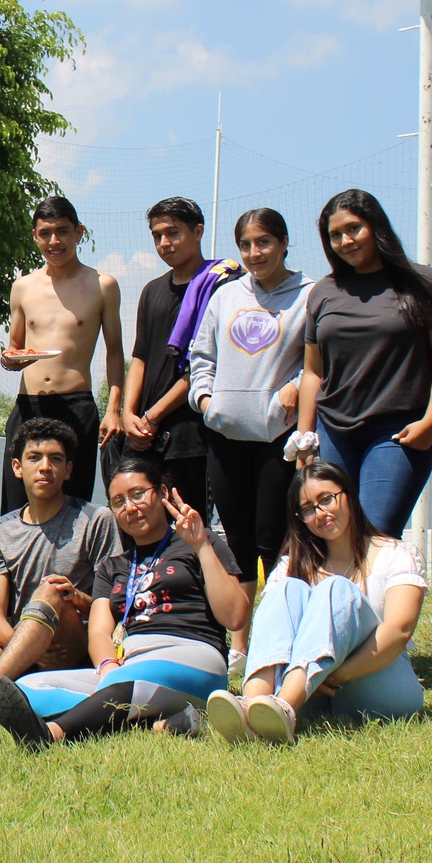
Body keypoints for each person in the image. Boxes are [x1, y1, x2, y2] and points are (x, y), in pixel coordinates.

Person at [0, 456, 248, 749]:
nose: (130, 507)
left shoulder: (199, 541)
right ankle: (155, 719)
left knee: (129, 681)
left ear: (161, 493)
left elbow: (235, 615)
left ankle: (51, 734)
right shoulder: (113, 566)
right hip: (129, 665)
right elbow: (98, 631)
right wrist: (108, 664)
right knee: (29, 688)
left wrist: (200, 545)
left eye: (138, 494)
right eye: (118, 501)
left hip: (194, 657)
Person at [0, 419, 122, 728]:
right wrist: (27, 646)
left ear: (69, 470)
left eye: (55, 459)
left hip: (73, 649)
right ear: (17, 467)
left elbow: (114, 605)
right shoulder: (1, 531)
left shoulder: (97, 520)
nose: (45, 467)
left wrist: (76, 597)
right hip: (18, 651)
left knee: (51, 589)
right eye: (35, 457)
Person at [205, 462, 426, 743]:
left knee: (335, 588)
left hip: (380, 683)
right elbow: (274, 631)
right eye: (308, 509)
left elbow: (400, 629)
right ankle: (253, 706)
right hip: (312, 694)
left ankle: (283, 706)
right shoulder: (292, 565)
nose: (320, 513)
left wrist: (334, 673)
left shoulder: (396, 554)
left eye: (326, 499)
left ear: (349, 495)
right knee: (286, 589)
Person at [186, 207, 310, 663]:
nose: (255, 253)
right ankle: (238, 643)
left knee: (275, 539)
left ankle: (280, 637)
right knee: (235, 542)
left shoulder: (309, 295)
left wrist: (293, 388)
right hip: (224, 435)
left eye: (264, 243)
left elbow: (317, 359)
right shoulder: (226, 295)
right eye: (246, 245)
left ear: (283, 243)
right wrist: (205, 402)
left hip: (277, 437)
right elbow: (202, 356)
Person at [290, 190, 432, 537]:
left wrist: (431, 422)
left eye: (354, 229)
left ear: (376, 227)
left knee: (377, 532)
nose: (345, 241)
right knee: (336, 535)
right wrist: (305, 439)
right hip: (334, 433)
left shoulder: (424, 284)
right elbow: (314, 372)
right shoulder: (324, 292)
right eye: (335, 235)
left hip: (397, 432)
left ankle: (387, 592)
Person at [0, 195, 124, 513]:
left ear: (78, 232)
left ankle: (73, 564)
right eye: (45, 233)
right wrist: (10, 359)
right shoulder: (23, 287)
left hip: (75, 406)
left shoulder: (102, 285)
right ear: (34, 236)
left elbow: (114, 352)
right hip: (29, 406)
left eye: (62, 231)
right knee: (17, 504)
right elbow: (15, 348)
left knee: (72, 506)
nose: (54, 241)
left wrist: (114, 409)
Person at [119, 197, 213, 514]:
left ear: (197, 231)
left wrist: (153, 416)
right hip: (142, 436)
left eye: (172, 233)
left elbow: (204, 366)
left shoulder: (218, 286)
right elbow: (140, 356)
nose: (164, 243)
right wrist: (128, 414)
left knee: (186, 523)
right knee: (136, 521)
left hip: (189, 436)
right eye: (157, 235)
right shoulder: (152, 290)